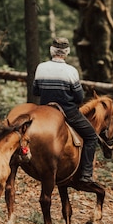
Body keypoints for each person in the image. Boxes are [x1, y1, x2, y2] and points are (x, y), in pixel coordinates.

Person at [32, 37, 98, 183]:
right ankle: (86, 174)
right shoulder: (71, 71)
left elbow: (35, 91)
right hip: (67, 111)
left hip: (44, 111)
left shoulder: (40, 67)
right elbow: (79, 97)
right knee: (91, 136)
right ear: (67, 52)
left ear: (52, 50)